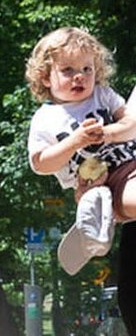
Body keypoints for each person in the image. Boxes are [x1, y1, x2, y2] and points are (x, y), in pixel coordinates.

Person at [27, 26, 136, 233]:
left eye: (87, 69)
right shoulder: (45, 118)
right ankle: (96, 215)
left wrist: (107, 133)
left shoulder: (102, 95)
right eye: (68, 70)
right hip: (107, 183)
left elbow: (131, 124)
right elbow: (41, 164)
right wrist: (75, 141)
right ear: (45, 78)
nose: (80, 76)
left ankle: (98, 220)